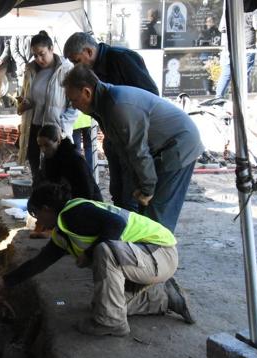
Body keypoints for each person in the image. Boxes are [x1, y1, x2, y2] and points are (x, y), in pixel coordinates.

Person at [0, 183, 195, 337]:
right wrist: (5, 280)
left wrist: (89, 253)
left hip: (159, 252)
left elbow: (116, 225)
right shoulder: (63, 231)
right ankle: (166, 298)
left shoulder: (74, 212)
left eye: (37, 214)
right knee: (103, 305)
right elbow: (40, 262)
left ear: (47, 209)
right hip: (145, 258)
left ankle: (112, 324)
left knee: (103, 251)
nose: (37, 221)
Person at [62, 64, 204, 232]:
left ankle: (159, 255)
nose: (73, 106)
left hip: (180, 146)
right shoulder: (102, 106)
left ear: (87, 92)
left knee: (157, 219)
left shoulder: (117, 106)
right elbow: (125, 152)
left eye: (74, 100)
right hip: (160, 148)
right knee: (144, 216)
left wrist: (147, 188)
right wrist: (139, 184)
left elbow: (138, 151)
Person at [63, 32, 159, 213]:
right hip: (113, 135)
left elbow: (150, 95)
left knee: (131, 194)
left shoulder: (122, 59)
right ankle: (121, 232)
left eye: (76, 61)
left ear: (89, 52)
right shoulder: (92, 71)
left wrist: (127, 120)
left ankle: (132, 235)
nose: (76, 66)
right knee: (117, 191)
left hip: (133, 137)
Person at [17, 30, 77, 180]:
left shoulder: (67, 69)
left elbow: (74, 105)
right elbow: (30, 97)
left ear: (51, 49)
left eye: (42, 53)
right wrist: (25, 103)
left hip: (54, 130)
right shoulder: (30, 70)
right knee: (35, 168)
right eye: (35, 55)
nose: (38, 59)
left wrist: (61, 127)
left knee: (55, 170)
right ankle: (38, 194)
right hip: (34, 127)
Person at [31, 125, 102, 239]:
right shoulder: (48, 160)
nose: (43, 150)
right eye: (40, 146)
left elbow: (87, 192)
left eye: (47, 145)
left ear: (58, 141)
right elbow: (43, 185)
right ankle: (49, 226)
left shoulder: (75, 160)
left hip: (85, 203)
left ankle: (56, 228)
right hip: (66, 201)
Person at [215, 7, 257, 98]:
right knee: (244, 75)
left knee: (227, 72)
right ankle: (240, 100)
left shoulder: (230, 8)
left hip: (232, 46)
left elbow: (222, 28)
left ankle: (218, 97)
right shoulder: (254, 8)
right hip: (247, 47)